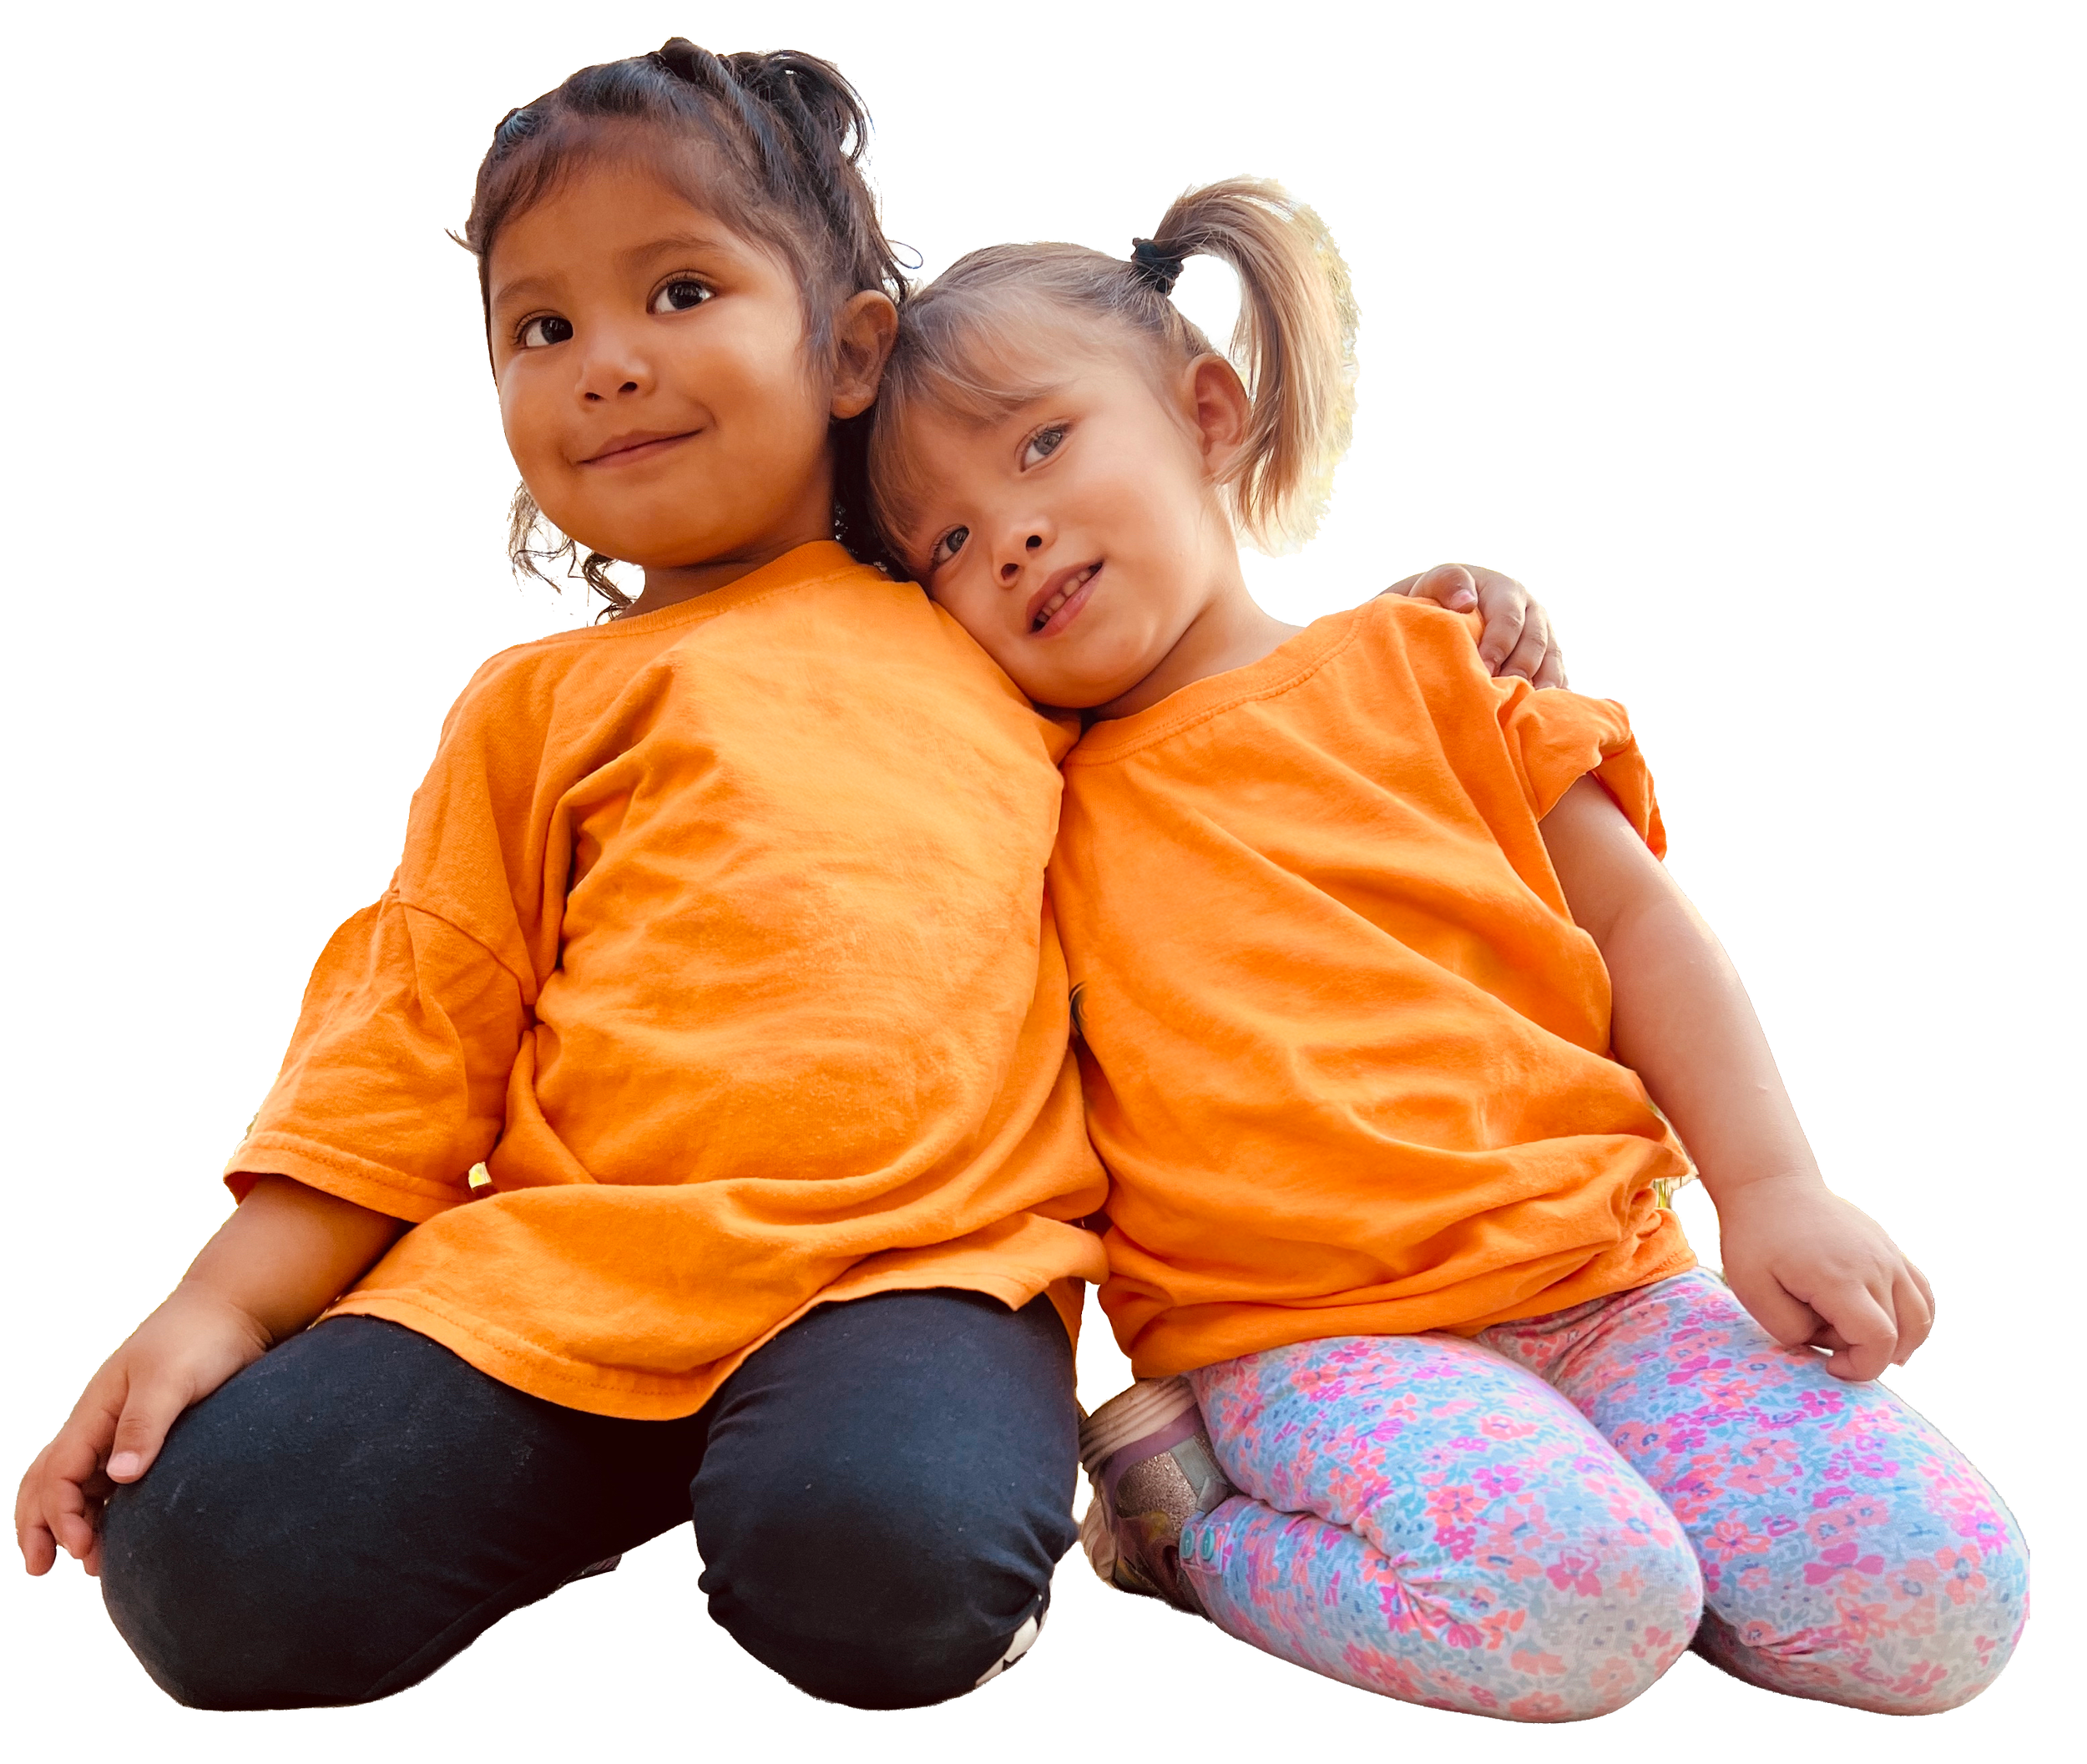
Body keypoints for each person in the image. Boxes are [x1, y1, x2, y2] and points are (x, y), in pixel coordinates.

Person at [10, 49, 1557, 1712]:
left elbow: (1223, 706)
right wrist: (215, 1312)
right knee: (205, 1571)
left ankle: (937, 1509)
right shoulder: (530, 707)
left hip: (918, 1275)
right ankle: (619, 1482)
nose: (608, 364)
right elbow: (408, 1040)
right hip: (561, 1277)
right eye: (540, 328)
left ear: (850, 350)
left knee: (884, 1574)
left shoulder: (990, 633)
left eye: (680, 291)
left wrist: (1426, 634)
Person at [864, 174, 2030, 1721]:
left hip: (1612, 1286)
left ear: (1206, 412)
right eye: (945, 541)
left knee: (1947, 1607)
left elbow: (1639, 923)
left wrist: (1774, 1187)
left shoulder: (1436, 669)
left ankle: (1668, 1570)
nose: (1010, 536)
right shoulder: (1025, 800)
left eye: (1042, 445)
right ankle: (1191, 1527)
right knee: (1578, 1602)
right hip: (1312, 1340)